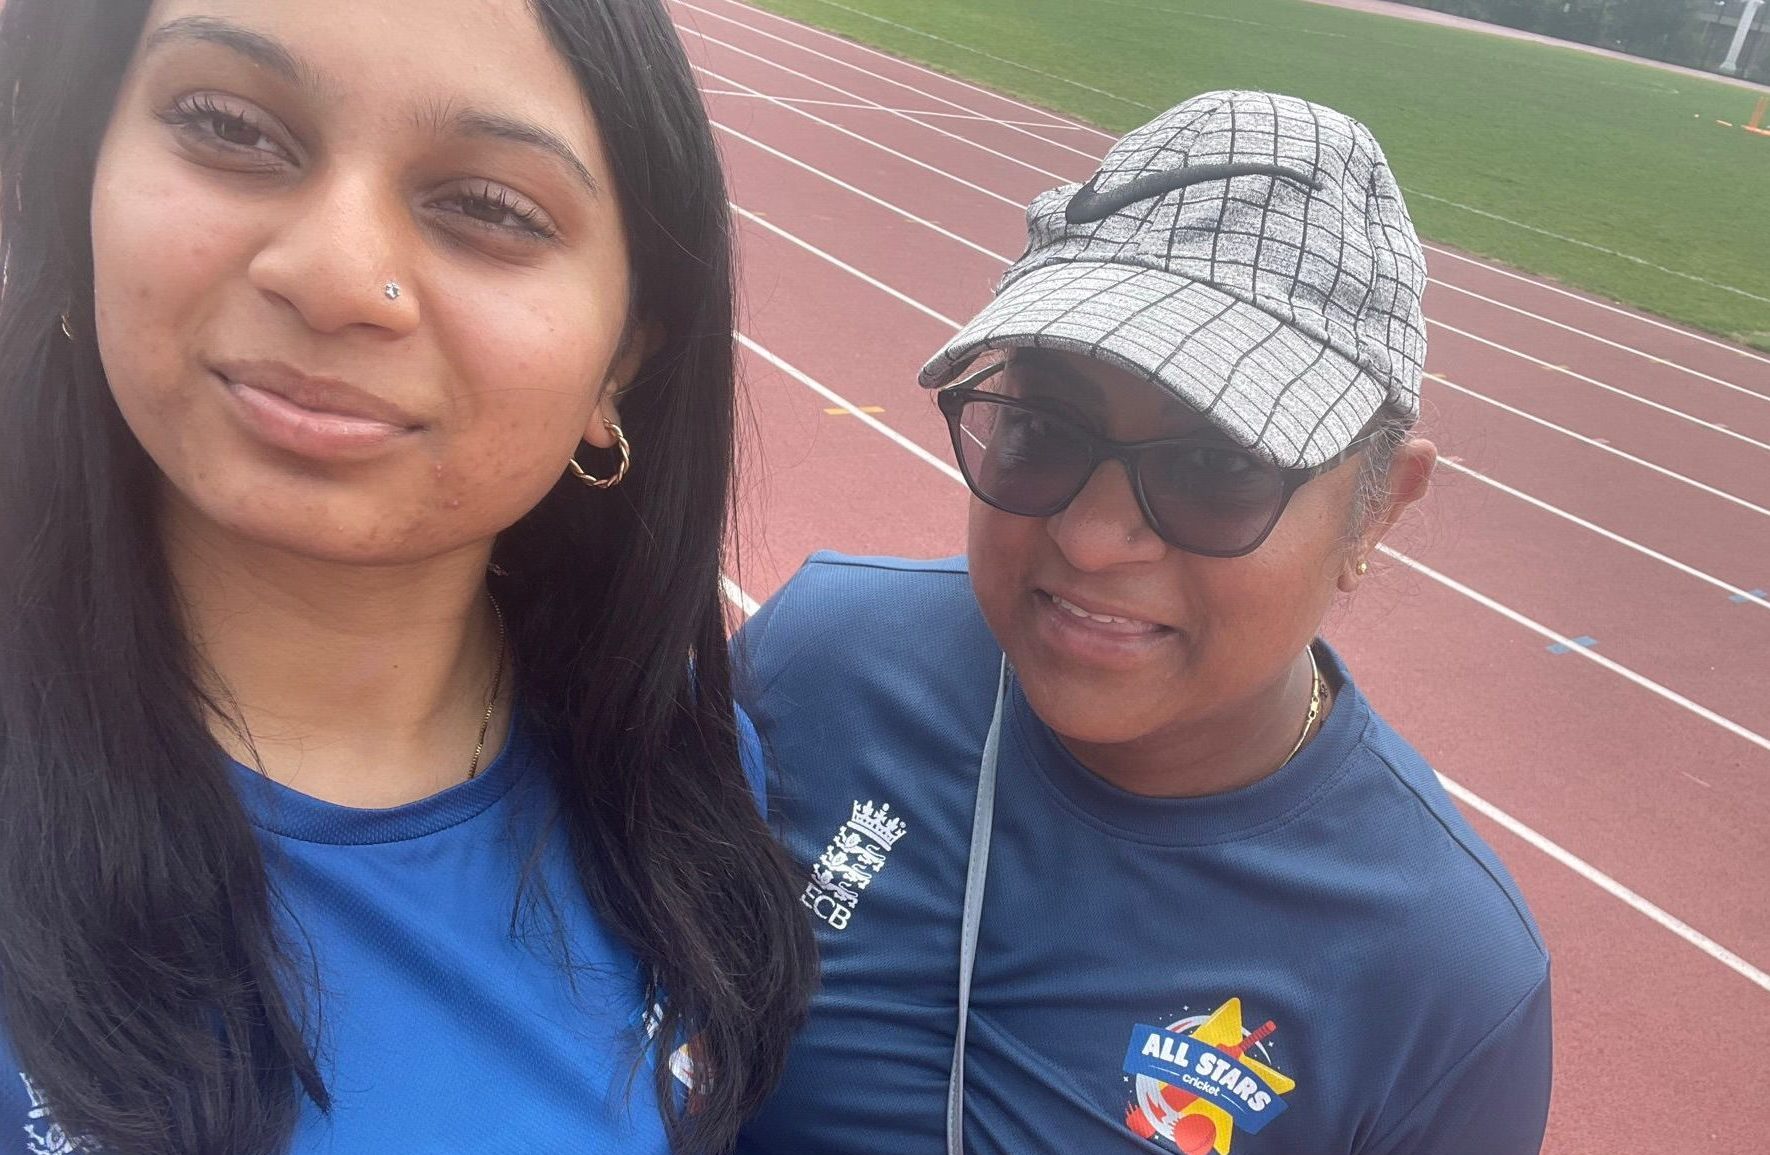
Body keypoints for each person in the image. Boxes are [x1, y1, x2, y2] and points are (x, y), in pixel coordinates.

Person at [0, 2, 814, 1153]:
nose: (336, 276)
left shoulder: (678, 772)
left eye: (487, 207)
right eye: (230, 126)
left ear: (620, 363)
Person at [737, 91, 1551, 1155]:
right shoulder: (819, 663)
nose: (1090, 535)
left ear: (1379, 507)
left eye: (1217, 466)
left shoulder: (1443, 974)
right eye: (1040, 426)